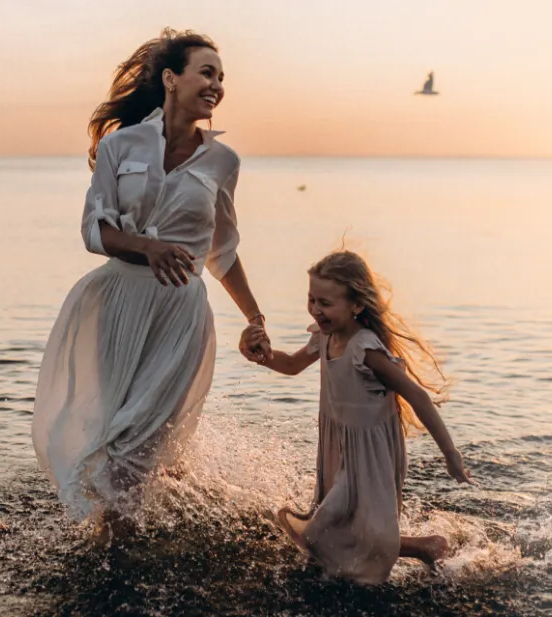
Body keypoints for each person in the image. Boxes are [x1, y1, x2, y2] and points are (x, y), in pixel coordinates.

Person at [31, 28, 272, 543]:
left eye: (222, 77)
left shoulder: (223, 162)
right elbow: (94, 230)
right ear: (171, 78)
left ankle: (118, 548)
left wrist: (255, 318)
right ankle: (120, 535)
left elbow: (222, 249)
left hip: (179, 314)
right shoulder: (122, 145)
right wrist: (148, 247)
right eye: (206, 72)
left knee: (135, 441)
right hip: (116, 304)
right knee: (107, 429)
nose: (217, 85)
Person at [244, 250, 472, 584]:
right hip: (339, 442)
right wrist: (263, 357)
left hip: (370, 451)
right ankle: (425, 546)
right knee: (349, 526)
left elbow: (417, 396)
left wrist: (451, 456)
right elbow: (291, 365)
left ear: (357, 306)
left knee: (347, 532)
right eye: (312, 299)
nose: (316, 310)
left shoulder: (364, 348)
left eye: (326, 303)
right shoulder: (325, 335)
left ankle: (419, 546)